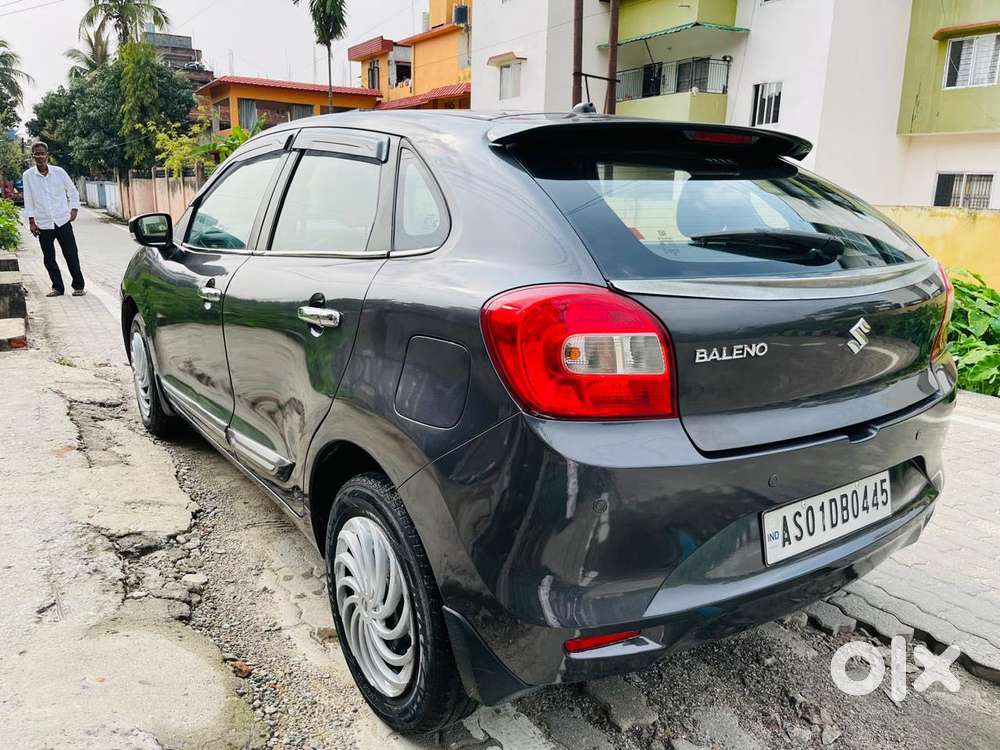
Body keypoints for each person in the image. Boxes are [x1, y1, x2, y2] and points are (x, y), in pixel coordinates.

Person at [22, 142, 86, 297]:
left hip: (62, 220)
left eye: (42, 153)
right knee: (49, 258)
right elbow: (28, 199)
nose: (39, 156)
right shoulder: (28, 176)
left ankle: (78, 286)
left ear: (47, 155)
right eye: (36, 154)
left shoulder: (59, 172)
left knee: (71, 254)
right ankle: (57, 287)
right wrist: (31, 222)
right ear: (33, 156)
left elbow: (72, 191)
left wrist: (74, 209)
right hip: (43, 224)